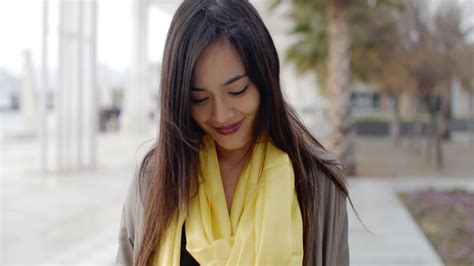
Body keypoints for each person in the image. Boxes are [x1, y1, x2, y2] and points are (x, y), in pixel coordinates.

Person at [116, 1, 351, 265]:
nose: (221, 115)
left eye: (237, 90)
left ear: (265, 78)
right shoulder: (154, 177)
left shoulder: (316, 181)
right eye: (199, 99)